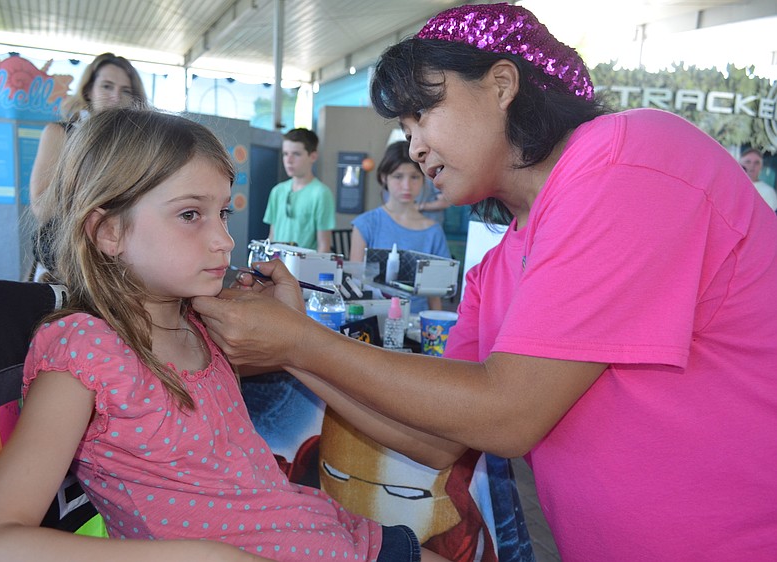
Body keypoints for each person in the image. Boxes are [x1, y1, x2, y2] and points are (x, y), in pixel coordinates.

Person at [196, 3, 777, 561]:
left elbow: (508, 413)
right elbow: (440, 440)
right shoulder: (495, 271)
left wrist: (300, 342)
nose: (415, 147)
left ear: (501, 84)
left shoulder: (629, 158)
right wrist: (289, 343)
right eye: (404, 127)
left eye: (423, 113)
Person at [0, 109, 455, 562]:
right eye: (191, 215)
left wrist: (291, 328)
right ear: (108, 231)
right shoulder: (85, 350)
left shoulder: (205, 325)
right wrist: (209, 555)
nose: (224, 240)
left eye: (223, 213)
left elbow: (313, 370)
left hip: (339, 536)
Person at [28, 52, 148, 280]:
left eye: (125, 91)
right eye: (107, 86)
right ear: (88, 90)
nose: (115, 97)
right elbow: (42, 209)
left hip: (120, 264)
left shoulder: (139, 146)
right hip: (65, 262)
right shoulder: (60, 134)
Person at [351, 140, 451, 312]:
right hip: (373, 316)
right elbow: (355, 283)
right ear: (384, 177)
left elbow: (434, 294)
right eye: (398, 176)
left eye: (414, 177)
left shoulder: (433, 231)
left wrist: (436, 322)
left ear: (423, 179)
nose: (406, 186)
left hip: (417, 320)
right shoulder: (365, 224)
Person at [263, 128, 335, 252]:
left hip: (305, 263)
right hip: (277, 261)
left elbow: (324, 246)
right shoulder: (277, 191)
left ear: (313, 156)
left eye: (296, 154)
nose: (289, 160)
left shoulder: (321, 194)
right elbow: (272, 236)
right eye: (285, 154)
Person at [739, 147, 777, 211]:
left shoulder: (768, 192)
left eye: (757, 163)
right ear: (740, 164)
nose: (752, 166)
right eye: (748, 162)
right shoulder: (732, 187)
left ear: (761, 167)